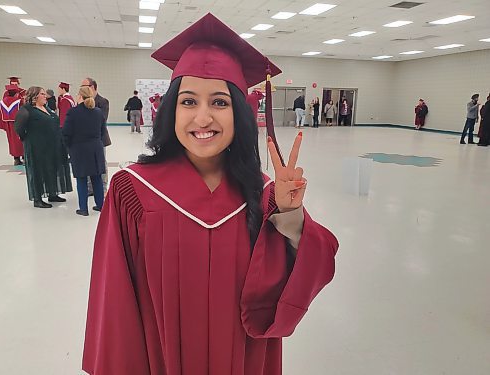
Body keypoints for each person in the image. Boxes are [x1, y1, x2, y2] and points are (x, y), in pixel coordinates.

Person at [82, 13, 338, 375]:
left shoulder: (264, 196)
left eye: (219, 102)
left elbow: (311, 271)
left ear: (240, 114)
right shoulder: (133, 191)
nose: (203, 118)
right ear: (171, 110)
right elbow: (114, 305)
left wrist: (290, 215)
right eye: (188, 102)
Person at [14, 87, 72, 208]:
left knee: (51, 168)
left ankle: (52, 193)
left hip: (52, 145)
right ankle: (37, 198)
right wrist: (28, 138)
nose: (45, 96)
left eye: (45, 94)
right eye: (42, 94)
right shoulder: (26, 110)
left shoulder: (46, 108)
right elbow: (19, 128)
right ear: (34, 96)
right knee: (38, 171)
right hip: (36, 147)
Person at [63, 86, 106, 215]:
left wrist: (67, 146)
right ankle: (100, 205)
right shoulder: (98, 112)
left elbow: (66, 132)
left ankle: (83, 208)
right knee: (97, 178)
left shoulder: (73, 112)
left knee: (81, 179)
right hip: (96, 148)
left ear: (80, 96)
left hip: (79, 149)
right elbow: (103, 131)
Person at [81, 77, 110, 192]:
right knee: (88, 162)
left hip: (99, 138)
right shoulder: (82, 102)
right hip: (85, 139)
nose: (81, 89)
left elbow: (102, 120)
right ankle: (90, 187)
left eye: (83, 86)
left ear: (92, 87)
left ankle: (102, 187)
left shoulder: (102, 102)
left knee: (101, 162)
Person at [0, 83, 25, 165]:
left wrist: (3, 125)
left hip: (8, 125)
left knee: (12, 141)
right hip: (18, 124)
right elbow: (23, 112)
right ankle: (24, 158)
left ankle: (16, 159)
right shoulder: (19, 101)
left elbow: (0, 115)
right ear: (16, 93)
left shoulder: (2, 102)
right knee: (21, 140)